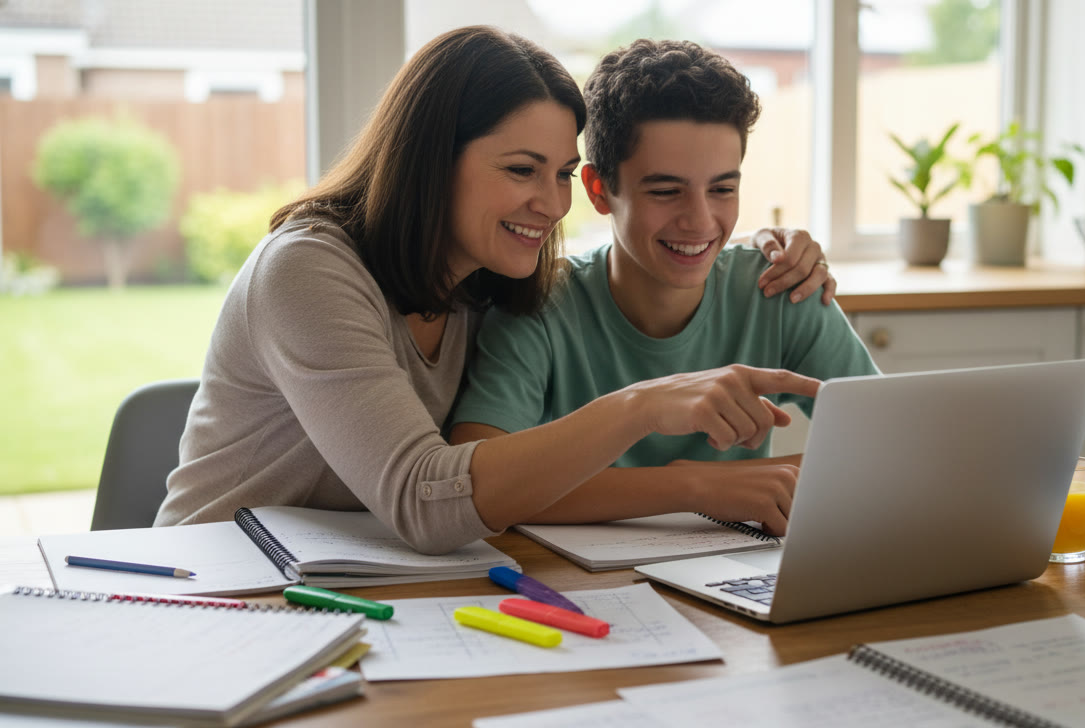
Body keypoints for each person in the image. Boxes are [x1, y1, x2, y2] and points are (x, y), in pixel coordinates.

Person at [154, 27, 835, 553]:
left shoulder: (486, 282)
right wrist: (642, 411)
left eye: (563, 173)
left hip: (355, 584)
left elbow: (638, 253)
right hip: (214, 583)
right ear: (431, 162)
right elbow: (427, 500)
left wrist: (765, 249)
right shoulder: (307, 270)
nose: (550, 202)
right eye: (521, 170)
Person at [449, 39, 879, 536]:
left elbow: (891, 438)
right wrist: (694, 485)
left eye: (722, 189)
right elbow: (472, 483)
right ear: (599, 190)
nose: (700, 221)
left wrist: (722, 482)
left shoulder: (782, 288)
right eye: (666, 190)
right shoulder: (538, 304)